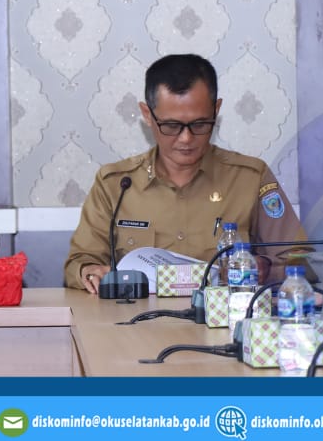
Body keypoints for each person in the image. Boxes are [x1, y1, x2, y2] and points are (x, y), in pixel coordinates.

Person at [64, 54, 307, 294]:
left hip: (222, 316)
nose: (186, 138)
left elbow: (301, 259)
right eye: (171, 126)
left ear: (216, 110)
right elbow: (79, 263)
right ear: (147, 115)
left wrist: (266, 268)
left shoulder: (250, 179)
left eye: (199, 124)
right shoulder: (116, 184)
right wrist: (90, 272)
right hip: (137, 318)